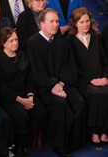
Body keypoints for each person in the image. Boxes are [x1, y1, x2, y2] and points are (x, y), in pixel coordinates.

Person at [26, 8, 85, 157]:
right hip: (44, 88)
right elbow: (37, 72)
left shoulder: (61, 41)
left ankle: (74, 142)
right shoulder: (32, 43)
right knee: (60, 104)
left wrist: (61, 84)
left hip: (63, 84)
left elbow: (69, 66)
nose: (55, 24)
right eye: (51, 21)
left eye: (57, 21)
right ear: (42, 24)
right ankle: (59, 145)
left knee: (79, 101)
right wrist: (53, 84)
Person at [0, 27, 46, 155]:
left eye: (16, 39)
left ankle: (24, 143)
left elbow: (29, 78)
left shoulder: (22, 55)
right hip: (8, 97)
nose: (15, 43)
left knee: (40, 111)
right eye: (11, 41)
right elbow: (1, 87)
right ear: (3, 43)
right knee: (21, 115)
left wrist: (30, 96)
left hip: (25, 94)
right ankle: (16, 143)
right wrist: (21, 101)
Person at [68, 7, 108, 148]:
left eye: (87, 21)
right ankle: (95, 131)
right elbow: (73, 68)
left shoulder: (97, 38)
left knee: (105, 91)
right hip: (84, 81)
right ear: (75, 24)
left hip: (101, 79)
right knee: (95, 93)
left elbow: (105, 61)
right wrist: (90, 80)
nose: (85, 24)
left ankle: (104, 130)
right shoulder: (70, 41)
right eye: (82, 22)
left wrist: (105, 77)